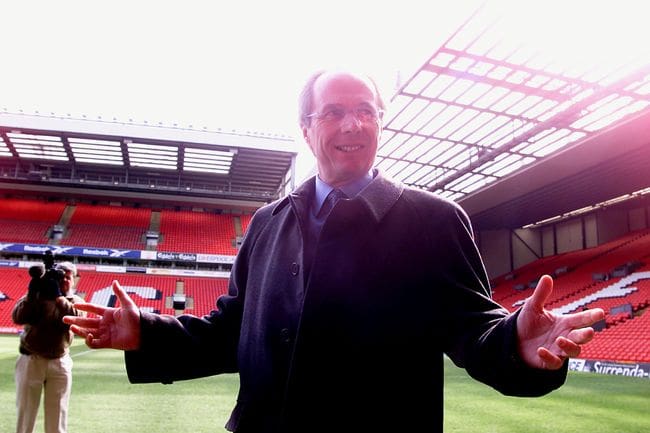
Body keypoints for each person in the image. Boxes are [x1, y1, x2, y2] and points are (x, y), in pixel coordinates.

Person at [64, 70, 605, 433]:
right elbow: (232, 333)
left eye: (367, 111)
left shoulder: (434, 221)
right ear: (306, 129)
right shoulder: (266, 225)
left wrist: (516, 342)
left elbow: (475, 329)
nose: (355, 124)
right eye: (336, 112)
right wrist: (147, 333)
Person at [13, 259, 83, 433]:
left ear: (74, 280)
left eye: (69, 277)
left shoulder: (75, 300)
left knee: (58, 416)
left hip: (60, 362)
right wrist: (32, 294)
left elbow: (76, 319)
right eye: (62, 276)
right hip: (31, 359)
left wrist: (59, 297)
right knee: (25, 415)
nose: (65, 279)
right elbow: (18, 317)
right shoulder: (37, 296)